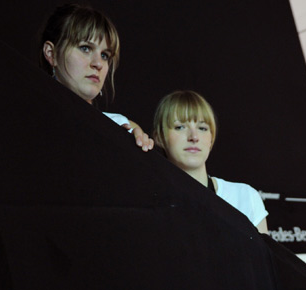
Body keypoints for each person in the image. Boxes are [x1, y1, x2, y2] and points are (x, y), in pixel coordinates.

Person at [39, 4, 153, 152]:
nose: (98, 64)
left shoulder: (120, 126)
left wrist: (131, 151)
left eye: (104, 55)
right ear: (51, 54)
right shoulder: (26, 116)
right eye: (85, 48)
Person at [152, 90, 268, 233]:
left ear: (211, 138)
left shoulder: (245, 197)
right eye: (180, 127)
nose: (194, 137)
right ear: (159, 137)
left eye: (202, 128)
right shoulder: (150, 203)